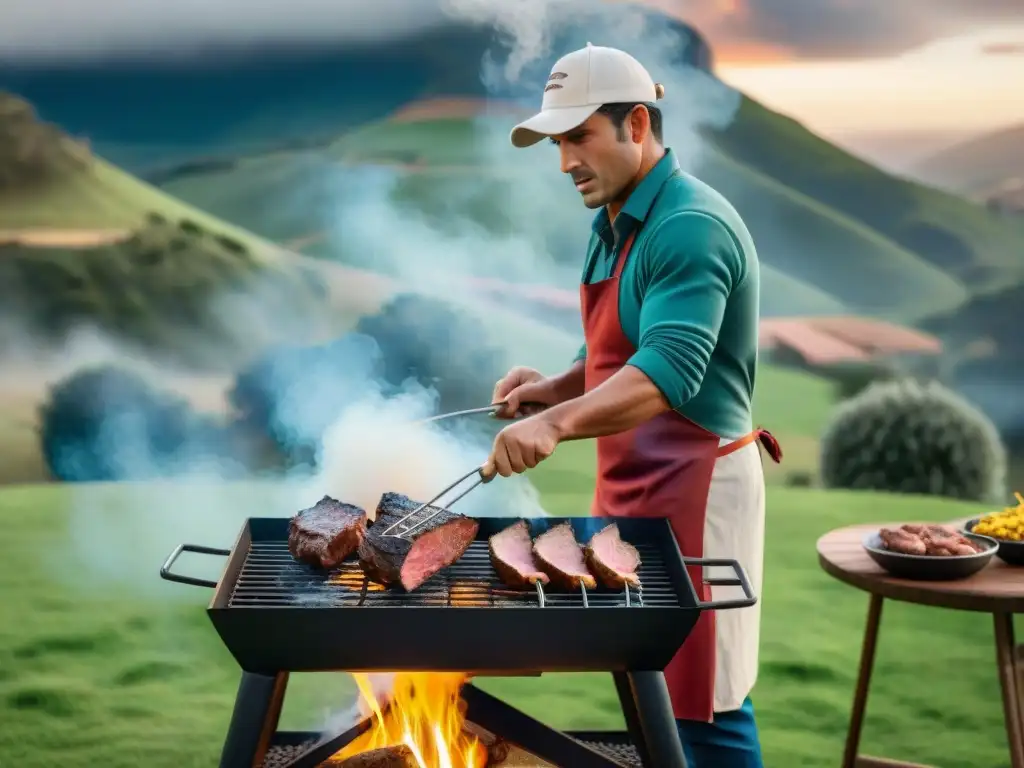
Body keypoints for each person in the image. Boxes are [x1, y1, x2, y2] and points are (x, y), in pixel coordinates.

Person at [480, 43, 783, 768]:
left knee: (706, 708)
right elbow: (616, 358)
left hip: (698, 493)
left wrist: (552, 425)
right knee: (653, 703)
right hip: (633, 490)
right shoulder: (612, 221)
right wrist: (551, 388)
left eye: (579, 137)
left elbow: (665, 373)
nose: (565, 162)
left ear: (637, 124)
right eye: (557, 143)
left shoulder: (689, 227)